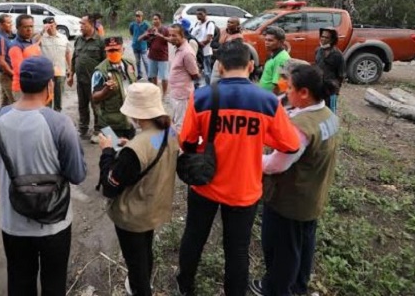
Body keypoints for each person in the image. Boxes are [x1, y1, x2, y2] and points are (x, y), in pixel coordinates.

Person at [176, 42, 302, 296]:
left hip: (205, 184)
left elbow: (187, 142)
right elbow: (291, 144)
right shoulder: (267, 101)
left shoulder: (201, 97)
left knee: (194, 237)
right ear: (251, 66)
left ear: (220, 67)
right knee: (237, 249)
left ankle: (185, 284)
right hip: (244, 189)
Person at [0, 57, 86, 296]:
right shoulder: (60, 124)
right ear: (49, 86)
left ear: (19, 84)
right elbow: (77, 175)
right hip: (55, 223)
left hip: (13, 222)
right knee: (54, 282)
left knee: (19, 280)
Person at [250, 65, 340, 296]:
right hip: (312, 196)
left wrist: (247, 158)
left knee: (281, 249)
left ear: (304, 93)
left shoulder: (300, 129)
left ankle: (276, 289)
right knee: (303, 243)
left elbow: (276, 165)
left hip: (289, 201)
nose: (285, 92)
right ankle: (298, 286)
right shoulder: (327, 115)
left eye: (289, 88)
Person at [97, 82, 179, 296]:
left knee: (135, 261)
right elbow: (149, 149)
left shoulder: (133, 151)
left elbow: (109, 186)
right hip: (154, 208)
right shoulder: (168, 132)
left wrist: (107, 151)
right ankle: (143, 282)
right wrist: (132, 143)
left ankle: (140, 288)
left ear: (135, 114)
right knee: (144, 251)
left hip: (132, 216)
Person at [68, 14, 105, 141]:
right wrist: (71, 74)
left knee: (97, 107)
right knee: (82, 106)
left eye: (83, 24)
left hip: (95, 83)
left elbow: (105, 62)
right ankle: (83, 129)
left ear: (91, 25)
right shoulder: (79, 40)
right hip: (81, 81)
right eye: (80, 24)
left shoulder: (100, 41)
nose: (81, 26)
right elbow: (74, 58)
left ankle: (98, 131)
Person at [92, 36, 137, 140]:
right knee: (112, 152)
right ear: (106, 52)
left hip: (129, 120)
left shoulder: (129, 64)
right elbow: (95, 97)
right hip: (110, 124)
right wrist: (106, 90)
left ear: (123, 50)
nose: (113, 52)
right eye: (110, 50)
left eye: (116, 49)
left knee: (128, 152)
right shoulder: (100, 71)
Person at [167, 23, 200, 134]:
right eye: (170, 35)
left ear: (182, 35)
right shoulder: (177, 48)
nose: (171, 38)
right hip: (175, 93)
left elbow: (195, 74)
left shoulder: (187, 53)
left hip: (182, 95)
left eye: (174, 35)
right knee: (176, 121)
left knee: (181, 125)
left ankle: (180, 150)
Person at [39, 16, 72, 112]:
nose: (50, 27)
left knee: (59, 97)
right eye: (48, 26)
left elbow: (68, 53)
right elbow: (33, 41)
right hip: (46, 73)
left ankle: (57, 115)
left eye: (52, 25)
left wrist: (70, 68)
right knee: (47, 97)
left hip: (60, 72)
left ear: (56, 24)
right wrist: (42, 31)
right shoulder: (42, 38)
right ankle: (47, 115)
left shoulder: (63, 37)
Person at [8, 14, 42, 101]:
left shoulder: (31, 41)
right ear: (17, 28)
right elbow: (20, 70)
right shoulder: (16, 46)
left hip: (34, 86)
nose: (29, 30)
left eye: (31, 26)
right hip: (22, 89)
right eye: (25, 27)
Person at [314, 27, 346, 113]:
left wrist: (336, 90)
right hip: (319, 86)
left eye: (327, 37)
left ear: (332, 40)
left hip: (330, 89)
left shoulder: (337, 55)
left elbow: (341, 74)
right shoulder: (318, 51)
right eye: (322, 36)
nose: (323, 39)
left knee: (329, 112)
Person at [138, 13, 171, 95]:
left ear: (160, 20)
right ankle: (155, 92)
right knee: (153, 76)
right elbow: (139, 39)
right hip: (152, 56)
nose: (154, 21)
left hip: (163, 57)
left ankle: (164, 94)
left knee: (164, 77)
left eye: (156, 19)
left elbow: (171, 40)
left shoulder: (165, 29)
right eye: (153, 19)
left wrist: (159, 35)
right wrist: (145, 34)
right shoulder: (150, 30)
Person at [0, 13, 16, 106]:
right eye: (8, 23)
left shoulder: (6, 37)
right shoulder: (0, 39)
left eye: (11, 23)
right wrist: (13, 74)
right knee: (15, 101)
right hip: (6, 75)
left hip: (6, 74)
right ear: (1, 24)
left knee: (5, 102)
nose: (11, 25)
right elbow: (1, 61)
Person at [259, 26, 290, 93]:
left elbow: (278, 85)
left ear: (281, 42)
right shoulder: (273, 54)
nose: (266, 43)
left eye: (270, 40)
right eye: (266, 40)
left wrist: (271, 100)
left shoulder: (282, 58)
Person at [191, 8, 216, 85]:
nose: (199, 16)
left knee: (207, 71)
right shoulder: (197, 24)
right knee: (196, 70)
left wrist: (199, 44)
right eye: (197, 14)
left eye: (201, 14)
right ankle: (197, 88)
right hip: (196, 51)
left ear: (205, 14)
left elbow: (209, 38)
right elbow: (192, 36)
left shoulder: (209, 24)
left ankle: (209, 88)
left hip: (205, 51)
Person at [129, 11, 150, 80]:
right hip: (135, 46)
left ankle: (149, 75)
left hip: (143, 46)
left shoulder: (145, 24)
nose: (138, 18)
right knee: (137, 61)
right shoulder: (132, 24)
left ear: (142, 17)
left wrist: (145, 37)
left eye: (139, 16)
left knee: (145, 61)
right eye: (137, 16)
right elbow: (131, 32)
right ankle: (139, 74)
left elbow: (150, 31)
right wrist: (135, 37)